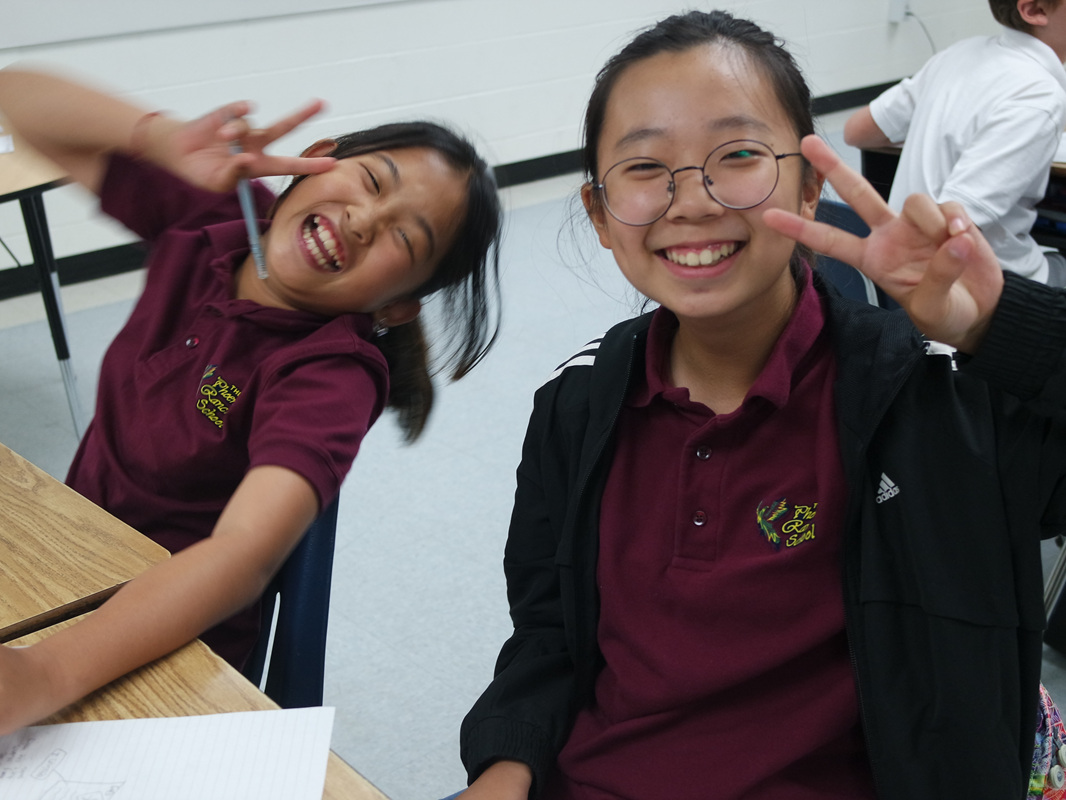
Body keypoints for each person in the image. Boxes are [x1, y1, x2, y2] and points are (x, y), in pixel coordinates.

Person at [456, 9, 1066, 800]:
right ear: (600, 214)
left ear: (810, 187)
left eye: (738, 155)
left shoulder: (936, 398)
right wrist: (503, 770)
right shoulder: (576, 403)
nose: (691, 201)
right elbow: (549, 634)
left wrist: (999, 325)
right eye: (645, 167)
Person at [0, 65, 501, 735]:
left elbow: (243, 555)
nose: (364, 220)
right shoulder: (215, 214)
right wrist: (159, 137)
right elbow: (15, 94)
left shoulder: (332, 373)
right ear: (317, 159)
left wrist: (46, 675)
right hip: (65, 552)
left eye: (405, 238)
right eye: (373, 181)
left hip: (166, 642)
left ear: (399, 305)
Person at [844, 0, 1066, 286]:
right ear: (1035, 10)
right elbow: (948, 229)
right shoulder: (1039, 96)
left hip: (905, 272)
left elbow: (856, 131)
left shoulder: (960, 53)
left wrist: (944, 129)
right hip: (976, 285)